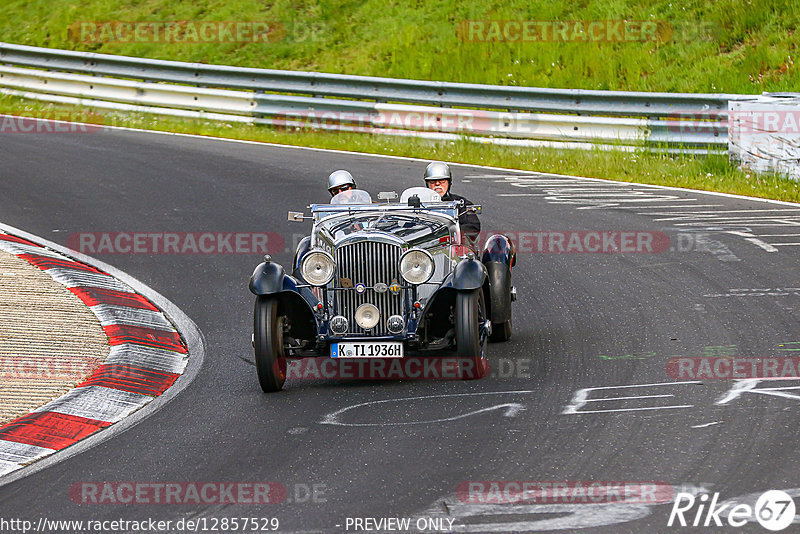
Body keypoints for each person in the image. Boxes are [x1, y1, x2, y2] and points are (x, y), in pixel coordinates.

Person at [423, 161, 481, 242]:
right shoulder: (419, 205)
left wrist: (451, 234)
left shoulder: (461, 203)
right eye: (432, 182)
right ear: (427, 184)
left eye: (442, 181)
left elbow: (473, 226)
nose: (437, 184)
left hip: (453, 246)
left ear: (449, 183)